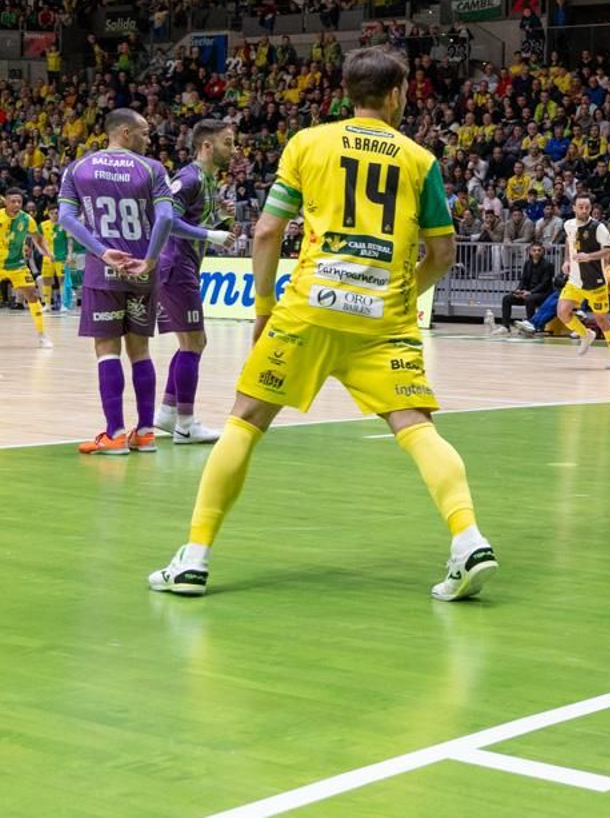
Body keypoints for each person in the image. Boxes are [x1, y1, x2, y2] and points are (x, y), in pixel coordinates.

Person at [147, 47, 497, 601]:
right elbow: (443, 254)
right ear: (396, 94)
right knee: (416, 426)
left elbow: (267, 232)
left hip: (308, 308)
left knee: (245, 421)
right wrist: (402, 296)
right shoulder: (420, 160)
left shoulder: (307, 143)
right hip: (382, 318)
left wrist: (265, 307)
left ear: (348, 93)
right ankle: (468, 539)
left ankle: (193, 558)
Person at [56, 110, 214, 454]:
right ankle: (144, 433)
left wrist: (102, 252)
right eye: (144, 132)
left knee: (107, 351)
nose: (149, 138)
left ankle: (115, 434)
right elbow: (165, 218)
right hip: (143, 272)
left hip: (104, 273)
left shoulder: (78, 168)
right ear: (124, 132)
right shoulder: (153, 169)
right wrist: (151, 259)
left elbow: (66, 219)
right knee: (140, 351)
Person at [154, 119, 238, 445]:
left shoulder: (208, 180)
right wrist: (210, 234)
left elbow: (196, 219)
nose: (234, 149)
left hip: (183, 266)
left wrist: (220, 218)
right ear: (206, 145)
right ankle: (186, 425)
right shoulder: (188, 178)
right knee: (194, 342)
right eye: (228, 142)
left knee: (191, 342)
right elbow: (166, 219)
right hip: (176, 266)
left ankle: (168, 413)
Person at [556, 193, 610, 369]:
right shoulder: (568, 225)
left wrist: (589, 257)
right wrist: (566, 260)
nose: (584, 210)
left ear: (590, 208)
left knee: (601, 320)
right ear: (574, 208)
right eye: (581, 207)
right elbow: (569, 242)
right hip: (575, 281)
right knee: (562, 312)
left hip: (595, 282)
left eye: (587, 207)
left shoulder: (598, 228)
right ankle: (586, 335)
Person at [0, 190, 51, 347]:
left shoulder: (27, 219)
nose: (16, 204)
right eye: (13, 201)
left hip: (17, 264)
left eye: (19, 202)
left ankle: (42, 335)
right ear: (6, 202)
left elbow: (38, 238)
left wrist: (47, 252)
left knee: (32, 295)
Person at [495, 242, 554, 334]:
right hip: (528, 293)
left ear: (543, 251)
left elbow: (545, 284)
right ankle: (505, 326)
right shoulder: (527, 263)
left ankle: (531, 326)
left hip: (542, 294)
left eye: (539, 250)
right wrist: (519, 290)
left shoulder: (548, 265)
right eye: (534, 250)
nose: (537, 252)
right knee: (507, 298)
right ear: (530, 252)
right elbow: (523, 280)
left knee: (529, 299)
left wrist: (530, 292)